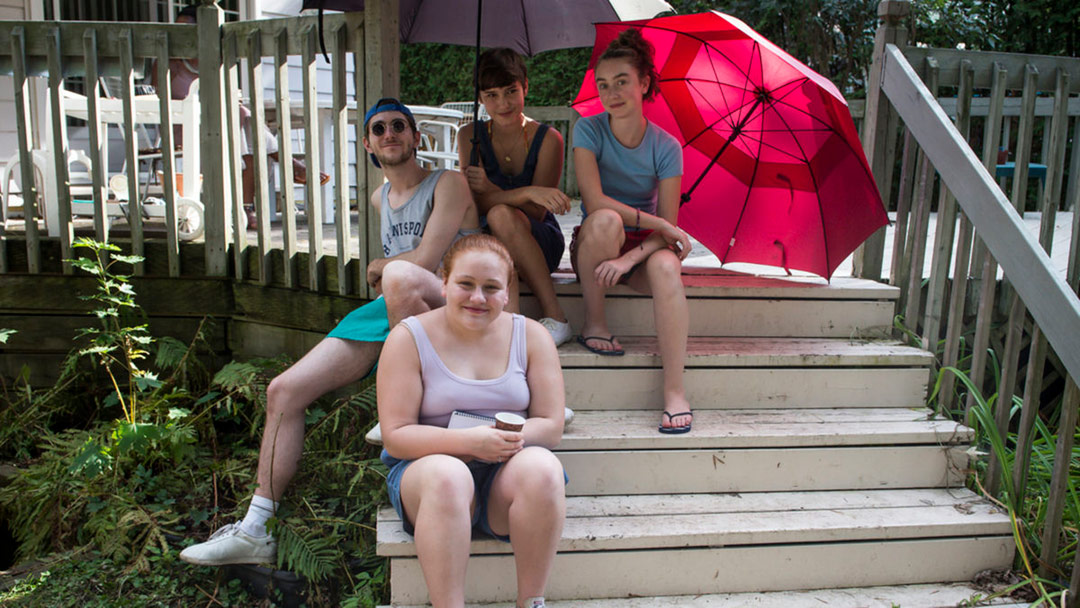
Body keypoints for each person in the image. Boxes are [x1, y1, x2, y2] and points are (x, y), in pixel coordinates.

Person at [179, 98, 480, 566]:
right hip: (395, 308)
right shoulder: (381, 197)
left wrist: (383, 265)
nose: (389, 134)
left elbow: (428, 262)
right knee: (283, 391)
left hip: (457, 303)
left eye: (399, 126)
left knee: (398, 277)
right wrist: (391, 276)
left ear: (416, 137)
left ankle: (405, 409)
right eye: (378, 129)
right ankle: (257, 527)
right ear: (367, 143)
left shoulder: (449, 183)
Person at [378, 234, 566, 608]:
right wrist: (470, 442)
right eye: (466, 284)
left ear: (507, 292)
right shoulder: (409, 338)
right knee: (448, 476)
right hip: (428, 477)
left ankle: (531, 601)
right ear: (444, 283)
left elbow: (551, 424)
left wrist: (498, 442)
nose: (478, 298)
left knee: (544, 468)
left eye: (491, 288)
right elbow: (396, 436)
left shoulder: (531, 336)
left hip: (505, 475)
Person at [571, 29, 695, 434]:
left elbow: (668, 236)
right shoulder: (588, 131)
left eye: (622, 82)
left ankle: (674, 391)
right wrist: (658, 222)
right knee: (606, 221)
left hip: (640, 248)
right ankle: (594, 322)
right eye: (603, 85)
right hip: (597, 239)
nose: (611, 93)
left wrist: (631, 255)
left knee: (666, 267)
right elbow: (594, 201)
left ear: (644, 83)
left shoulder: (666, 147)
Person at [160, 5, 329, 230]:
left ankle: (249, 206)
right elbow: (158, 99)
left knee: (244, 127)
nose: (182, 36)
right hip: (184, 132)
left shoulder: (212, 62)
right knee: (242, 120)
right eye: (178, 29)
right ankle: (290, 169)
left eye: (188, 30)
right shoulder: (167, 63)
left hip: (221, 129)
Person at [456, 48, 573, 346]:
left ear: (525, 87)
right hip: (488, 244)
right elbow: (472, 206)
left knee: (500, 215)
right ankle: (509, 327)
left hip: (537, 242)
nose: (503, 103)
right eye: (491, 95)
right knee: (493, 219)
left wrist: (494, 193)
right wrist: (529, 191)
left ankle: (556, 317)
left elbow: (536, 212)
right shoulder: (469, 136)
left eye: (511, 91)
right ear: (480, 98)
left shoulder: (548, 139)